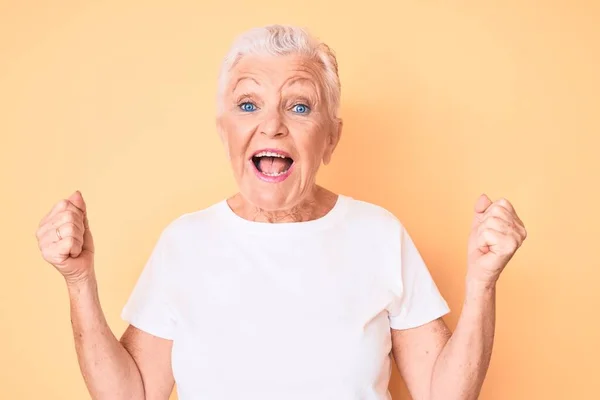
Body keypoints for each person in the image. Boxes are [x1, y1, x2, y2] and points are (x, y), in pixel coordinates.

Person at [35, 25, 527, 400]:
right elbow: (132, 394)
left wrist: (483, 283)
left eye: (298, 106)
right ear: (223, 129)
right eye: (248, 105)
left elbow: (445, 394)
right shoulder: (185, 243)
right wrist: (79, 281)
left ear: (331, 137)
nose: (271, 125)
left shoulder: (379, 234)